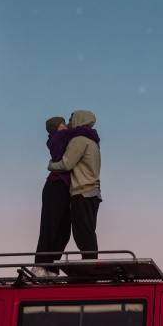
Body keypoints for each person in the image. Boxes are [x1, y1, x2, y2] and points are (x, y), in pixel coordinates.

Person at [47, 109, 102, 259]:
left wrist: (51, 165)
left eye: (71, 119)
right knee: (88, 230)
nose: (70, 123)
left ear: (79, 119)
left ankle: (90, 266)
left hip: (82, 192)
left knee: (83, 232)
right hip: (92, 192)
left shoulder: (79, 140)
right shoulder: (92, 141)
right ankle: (90, 263)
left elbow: (66, 164)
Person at [34, 116, 72, 268]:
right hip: (55, 186)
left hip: (63, 188)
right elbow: (69, 132)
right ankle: (41, 265)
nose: (65, 126)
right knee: (50, 227)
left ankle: (51, 265)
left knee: (63, 230)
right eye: (62, 124)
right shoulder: (55, 139)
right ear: (56, 127)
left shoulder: (62, 136)